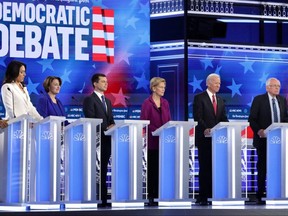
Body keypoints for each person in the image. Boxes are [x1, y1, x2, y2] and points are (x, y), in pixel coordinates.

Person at [248, 77, 288, 205]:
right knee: (263, 167)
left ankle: (277, 194)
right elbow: (252, 119)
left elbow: (285, 118)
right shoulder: (259, 100)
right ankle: (260, 195)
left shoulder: (282, 100)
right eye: (274, 85)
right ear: (267, 87)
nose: (277, 88)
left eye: (278, 86)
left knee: (278, 168)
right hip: (263, 140)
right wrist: (259, 130)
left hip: (279, 142)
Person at [193, 73, 228, 206]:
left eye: (219, 83)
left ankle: (214, 194)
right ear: (208, 83)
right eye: (215, 82)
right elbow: (198, 117)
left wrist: (229, 126)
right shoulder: (199, 98)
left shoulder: (220, 100)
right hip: (204, 138)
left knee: (216, 168)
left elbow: (223, 118)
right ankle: (203, 196)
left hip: (218, 140)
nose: (218, 85)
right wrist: (207, 129)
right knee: (205, 167)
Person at [83, 73, 115, 207]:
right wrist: (105, 127)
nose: (106, 84)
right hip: (96, 141)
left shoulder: (108, 101)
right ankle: (96, 198)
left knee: (103, 169)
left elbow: (111, 119)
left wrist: (113, 126)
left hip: (107, 140)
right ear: (95, 84)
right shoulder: (89, 100)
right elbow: (91, 118)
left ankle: (104, 198)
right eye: (103, 81)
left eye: (106, 81)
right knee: (96, 170)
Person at [140, 77, 171, 206]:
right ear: (154, 88)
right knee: (153, 169)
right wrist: (157, 131)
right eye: (161, 87)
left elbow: (169, 120)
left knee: (162, 169)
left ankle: (161, 194)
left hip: (165, 142)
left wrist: (167, 131)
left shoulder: (165, 103)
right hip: (152, 141)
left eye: (164, 87)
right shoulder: (147, 103)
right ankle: (152, 196)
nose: (163, 89)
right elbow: (144, 122)